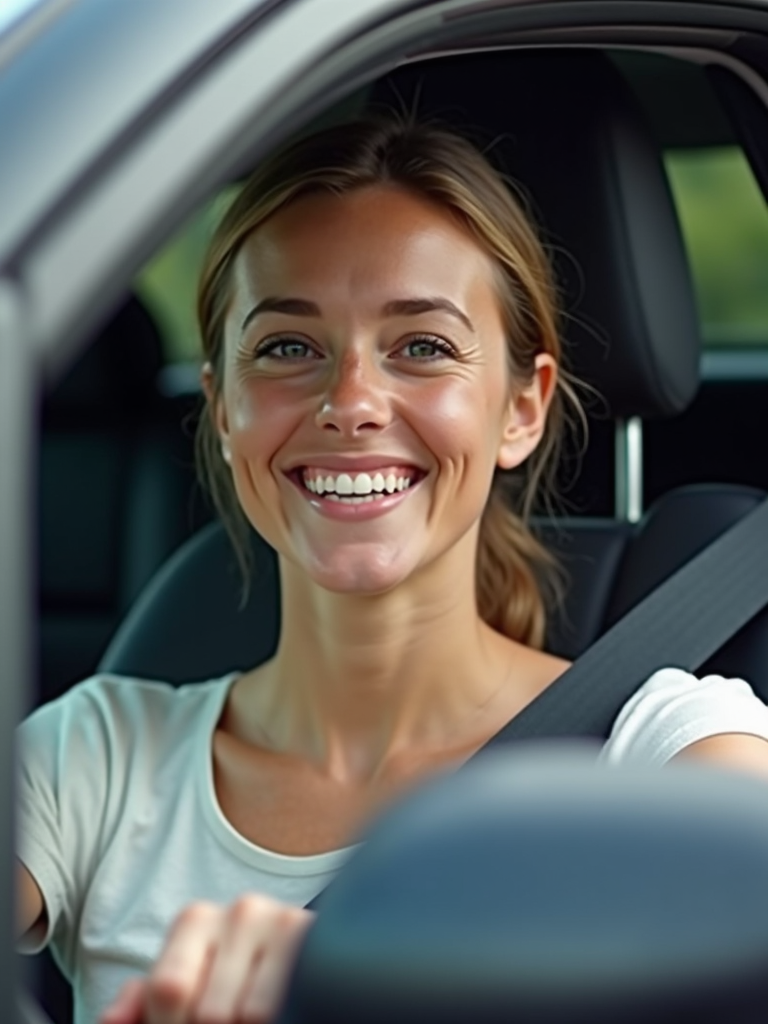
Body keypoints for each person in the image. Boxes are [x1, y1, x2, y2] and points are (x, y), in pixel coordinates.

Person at [16, 114, 768, 1024]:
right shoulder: (93, 756)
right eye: (288, 347)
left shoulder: (664, 748)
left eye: (423, 347)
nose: (351, 403)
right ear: (222, 406)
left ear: (521, 410)